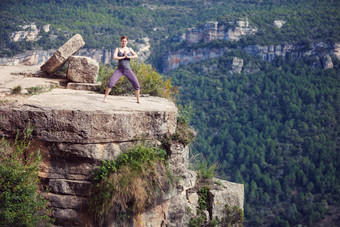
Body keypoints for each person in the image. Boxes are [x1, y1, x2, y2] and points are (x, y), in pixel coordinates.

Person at [102, 35, 140, 103]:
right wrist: (123, 57)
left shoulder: (129, 49)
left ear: (127, 42)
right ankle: (105, 98)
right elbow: (114, 57)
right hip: (119, 70)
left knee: (136, 84)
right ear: (120, 42)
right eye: (123, 41)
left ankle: (138, 100)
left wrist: (127, 56)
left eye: (125, 41)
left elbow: (136, 56)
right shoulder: (118, 49)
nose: (124, 42)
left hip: (127, 69)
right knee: (111, 83)